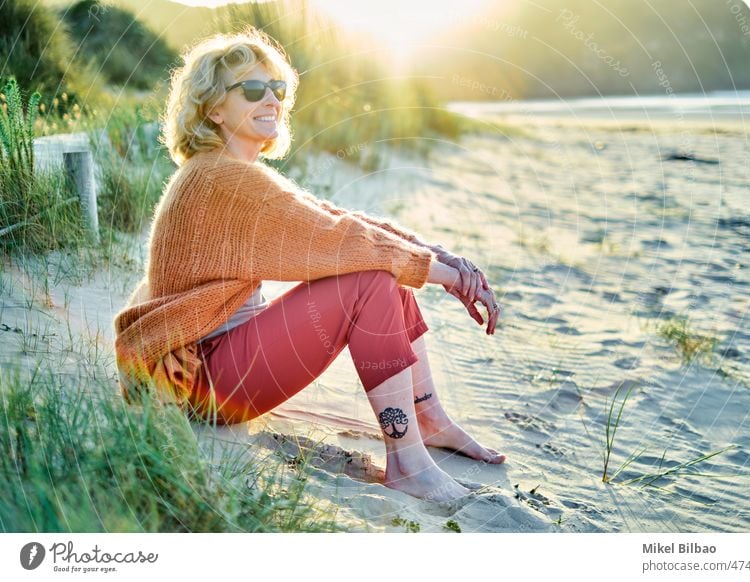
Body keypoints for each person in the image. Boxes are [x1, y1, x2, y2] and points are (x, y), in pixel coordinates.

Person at [113, 27, 504, 503]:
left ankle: (427, 418)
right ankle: (407, 462)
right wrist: (444, 274)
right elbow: (340, 239)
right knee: (369, 278)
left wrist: (437, 256)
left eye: (277, 89)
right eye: (252, 89)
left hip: (219, 368)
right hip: (203, 382)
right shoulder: (220, 179)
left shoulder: (232, 171)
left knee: (379, 264)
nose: (271, 100)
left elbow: (339, 220)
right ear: (213, 109)